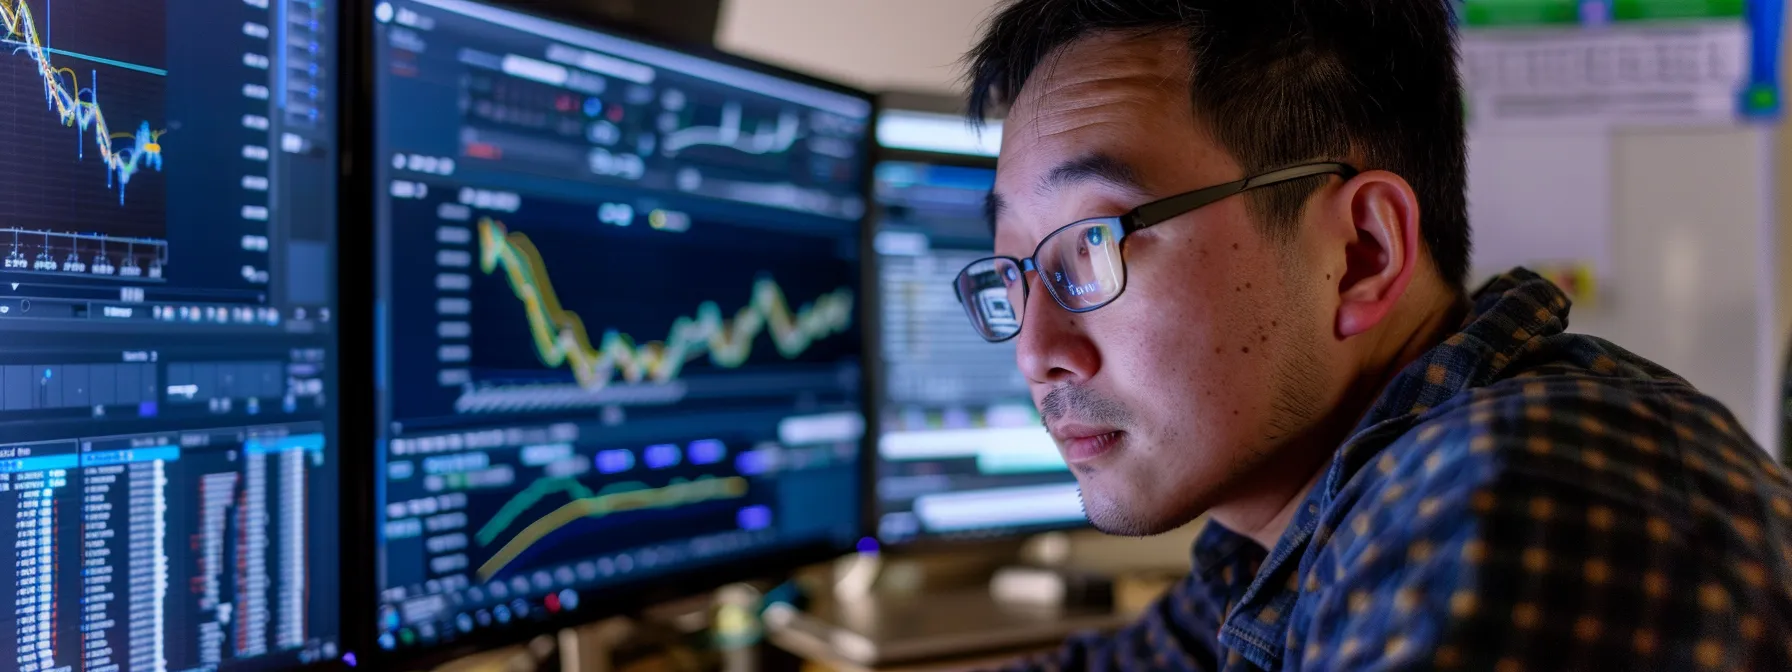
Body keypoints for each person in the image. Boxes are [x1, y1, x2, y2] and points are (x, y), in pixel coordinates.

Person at [950, 1, 1792, 669]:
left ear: (1360, 255)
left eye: (1092, 244)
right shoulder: (1287, 529)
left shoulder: (1507, 488)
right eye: (1014, 269)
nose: (1035, 351)